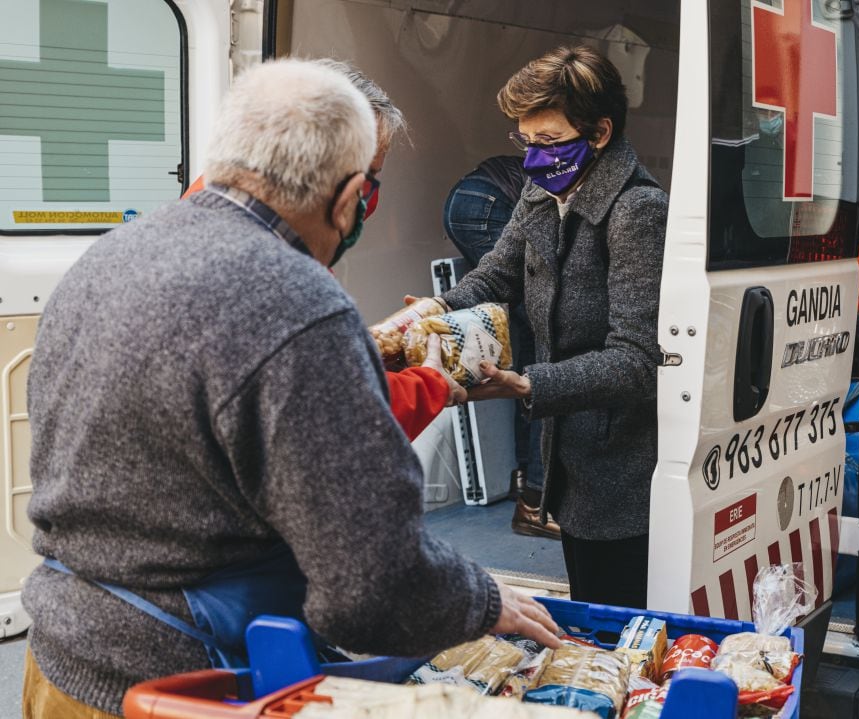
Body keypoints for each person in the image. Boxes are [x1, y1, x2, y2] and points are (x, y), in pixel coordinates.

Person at [21, 59, 558, 719]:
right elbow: (369, 589)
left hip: (60, 662)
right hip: (186, 689)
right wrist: (482, 600)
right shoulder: (301, 303)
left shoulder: (110, 255)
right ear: (350, 197)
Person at [435, 46, 668, 608]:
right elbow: (494, 276)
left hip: (622, 468)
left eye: (547, 142)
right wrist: (433, 315)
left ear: (600, 133)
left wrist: (527, 385)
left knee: (615, 619)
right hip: (570, 459)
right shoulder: (544, 190)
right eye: (525, 142)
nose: (533, 158)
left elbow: (637, 361)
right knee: (588, 599)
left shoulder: (638, 211)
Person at [183, 59, 465, 439]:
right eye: (369, 178)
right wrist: (432, 382)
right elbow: (351, 415)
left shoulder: (201, 212)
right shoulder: (281, 274)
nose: (365, 202)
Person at [442, 157, 559, 539]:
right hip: (486, 203)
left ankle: (523, 476)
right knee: (550, 347)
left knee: (531, 347)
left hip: (469, 198)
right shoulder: (570, 179)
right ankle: (536, 503)